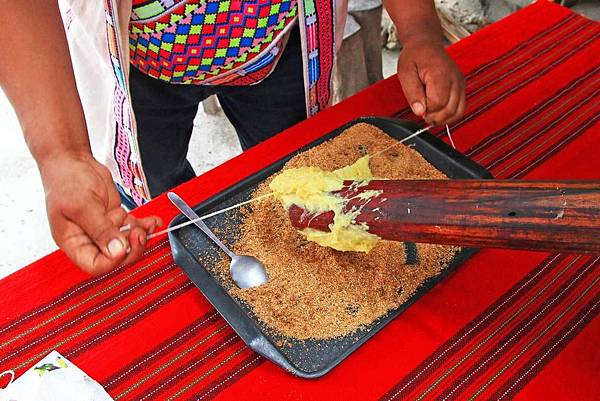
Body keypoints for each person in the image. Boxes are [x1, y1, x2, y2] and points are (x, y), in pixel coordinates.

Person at [0, 0, 465, 276]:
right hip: (145, 63)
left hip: (278, 46)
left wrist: (419, 31)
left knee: (297, 180)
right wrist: (62, 153)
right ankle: (186, 244)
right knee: (155, 195)